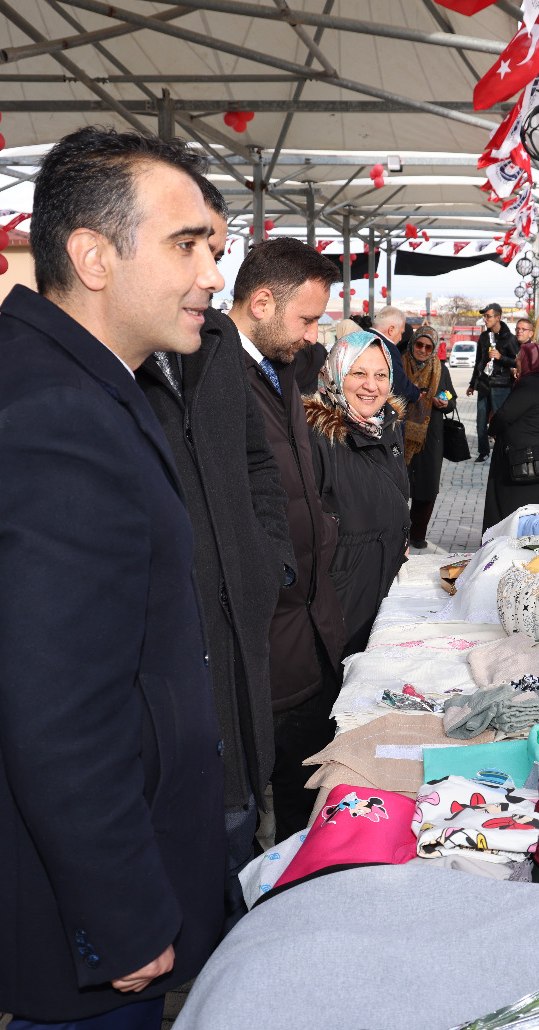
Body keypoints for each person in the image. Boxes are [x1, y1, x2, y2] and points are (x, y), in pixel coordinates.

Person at [0, 128, 227, 1030]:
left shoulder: (50, 378)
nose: (210, 273)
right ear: (93, 255)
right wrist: (121, 912)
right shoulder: (57, 412)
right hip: (75, 907)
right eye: (186, 244)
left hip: (63, 882)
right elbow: (61, 708)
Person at [135, 174, 296, 929]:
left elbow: (257, 464)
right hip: (168, 663)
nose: (211, 273)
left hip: (236, 634)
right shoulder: (110, 368)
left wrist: (266, 560)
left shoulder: (219, 346)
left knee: (239, 815)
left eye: (218, 251)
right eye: (191, 248)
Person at [228, 237, 351, 841]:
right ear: (261, 303)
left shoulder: (275, 366)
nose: (312, 335)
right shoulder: (215, 376)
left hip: (308, 621)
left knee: (308, 797)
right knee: (269, 805)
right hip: (268, 630)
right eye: (306, 319)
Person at [303, 331, 411, 657]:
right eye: (359, 373)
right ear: (336, 374)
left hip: (384, 587)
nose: (371, 386)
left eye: (380, 375)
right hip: (340, 603)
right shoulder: (315, 437)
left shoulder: (387, 426)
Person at [483, 340, 539, 528]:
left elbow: (505, 415)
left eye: (520, 357)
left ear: (530, 360)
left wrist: (492, 429)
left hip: (522, 461)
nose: (516, 360)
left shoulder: (531, 383)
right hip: (535, 458)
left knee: (509, 515)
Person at [402, 324, 455, 549]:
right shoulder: (400, 364)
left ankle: (417, 534)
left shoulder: (441, 369)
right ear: (412, 343)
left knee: (427, 485)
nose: (422, 350)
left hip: (430, 436)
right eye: (419, 344)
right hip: (401, 434)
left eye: (428, 347)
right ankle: (398, 532)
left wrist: (444, 403)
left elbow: (451, 397)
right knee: (400, 485)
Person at [466, 302, 519, 462]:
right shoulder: (483, 337)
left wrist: (501, 357)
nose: (485, 319)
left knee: (500, 420)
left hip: (501, 385)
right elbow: (478, 362)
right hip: (484, 384)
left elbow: (517, 362)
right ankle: (483, 452)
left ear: (498, 317)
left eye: (488, 316)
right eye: (485, 316)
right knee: (481, 421)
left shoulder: (509, 338)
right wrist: (472, 384)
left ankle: (504, 450)